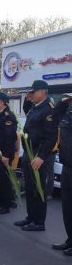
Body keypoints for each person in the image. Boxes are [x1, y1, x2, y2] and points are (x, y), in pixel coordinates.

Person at [14, 80, 57, 231]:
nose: (31, 95)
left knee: (39, 189)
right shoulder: (34, 107)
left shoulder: (49, 109)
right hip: (28, 153)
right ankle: (31, 217)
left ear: (43, 91)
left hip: (38, 156)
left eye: (33, 92)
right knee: (30, 186)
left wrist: (41, 156)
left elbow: (50, 137)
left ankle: (39, 222)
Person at [52, 93, 72, 256]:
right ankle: (70, 240)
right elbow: (54, 116)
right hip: (67, 167)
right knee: (67, 207)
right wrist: (63, 102)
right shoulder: (67, 115)